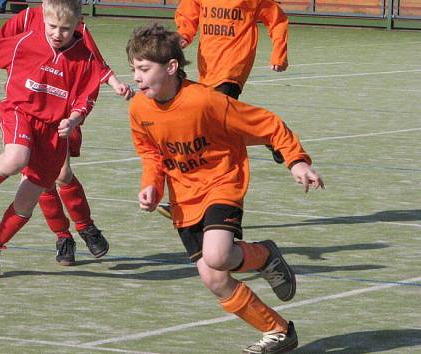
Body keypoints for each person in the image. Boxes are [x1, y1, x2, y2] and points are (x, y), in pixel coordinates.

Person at [127, 24, 324, 354]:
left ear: (172, 67)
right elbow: (150, 153)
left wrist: (296, 161)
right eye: (133, 69)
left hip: (222, 182)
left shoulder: (206, 101)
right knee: (214, 278)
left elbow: (267, 124)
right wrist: (151, 186)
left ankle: (263, 256)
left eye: (144, 69)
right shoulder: (139, 109)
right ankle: (278, 330)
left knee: (218, 256)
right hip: (184, 197)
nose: (136, 77)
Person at [0, 0, 133, 266]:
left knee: (61, 175)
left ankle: (86, 226)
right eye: (52, 26)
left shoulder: (73, 25)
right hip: (29, 112)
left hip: (60, 117)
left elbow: (94, 62)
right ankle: (63, 237)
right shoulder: (30, 16)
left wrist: (116, 83)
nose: (56, 31)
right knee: (41, 181)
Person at [152, 0, 290, 219]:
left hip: (233, 67)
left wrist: (279, 53)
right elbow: (189, 11)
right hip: (208, 66)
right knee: (222, 127)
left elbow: (277, 20)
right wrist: (184, 35)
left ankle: (189, 201)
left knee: (208, 134)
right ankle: (269, 135)